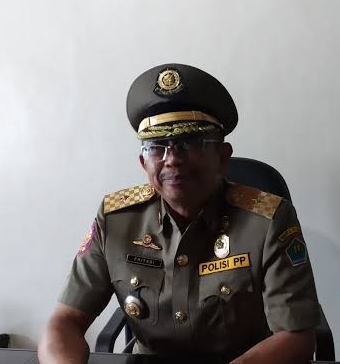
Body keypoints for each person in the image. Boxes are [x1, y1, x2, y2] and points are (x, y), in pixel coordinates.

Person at [38, 64, 320, 364]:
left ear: (222, 157)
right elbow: (64, 322)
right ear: (143, 163)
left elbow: (297, 337)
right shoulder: (115, 220)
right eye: (157, 147)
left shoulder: (268, 221)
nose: (172, 159)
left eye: (190, 143)